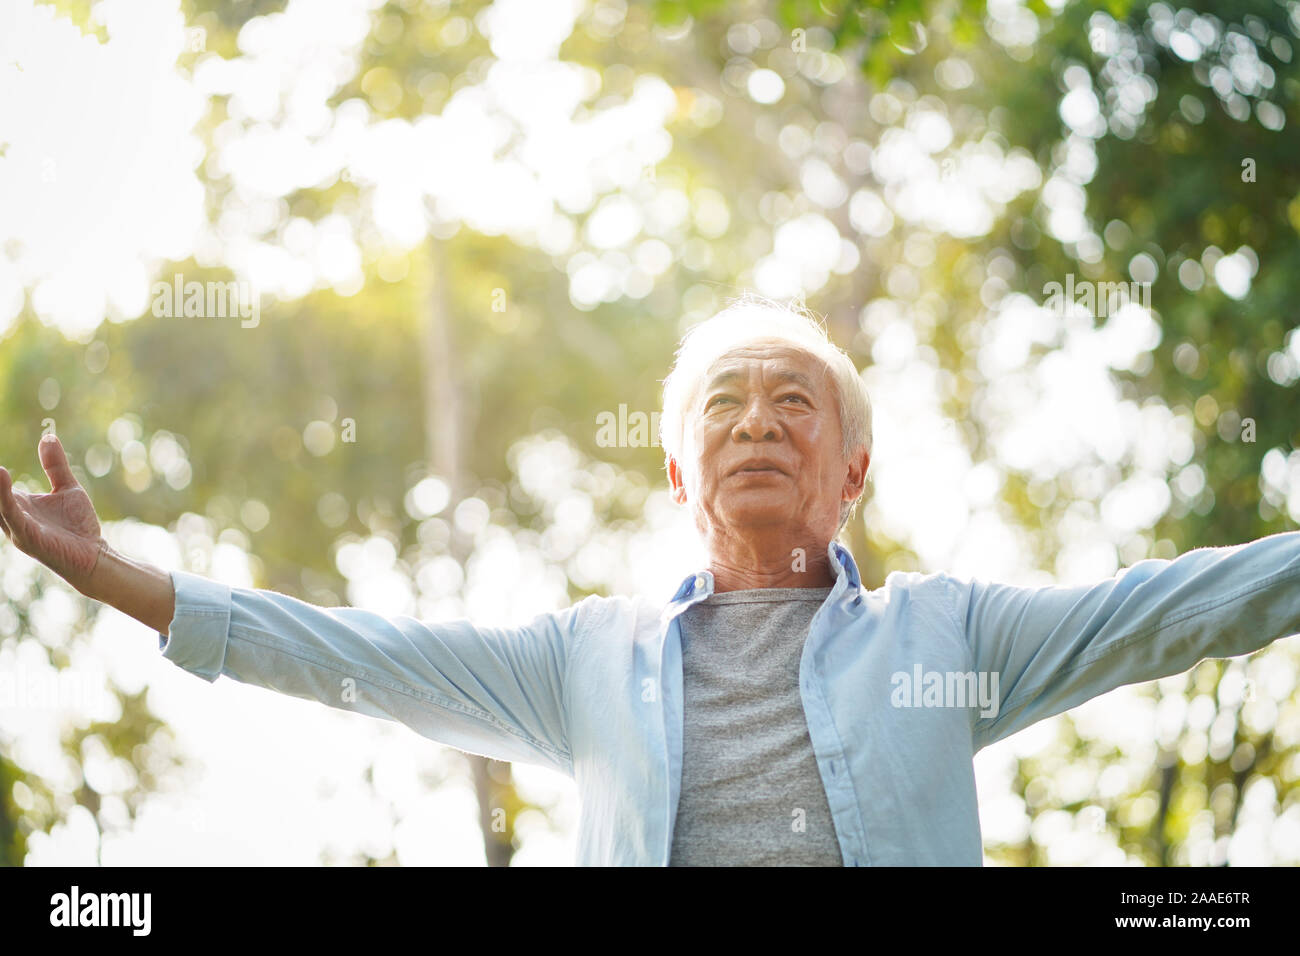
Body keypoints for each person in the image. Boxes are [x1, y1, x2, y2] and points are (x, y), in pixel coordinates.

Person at [3, 297, 1299, 866]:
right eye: (723, 409)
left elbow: (1176, 610)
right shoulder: (585, 666)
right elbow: (358, 656)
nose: (755, 425)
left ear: (850, 473)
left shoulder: (950, 640)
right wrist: (119, 576)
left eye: (795, 405)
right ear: (678, 479)